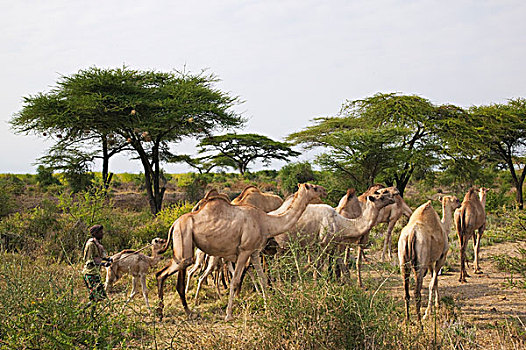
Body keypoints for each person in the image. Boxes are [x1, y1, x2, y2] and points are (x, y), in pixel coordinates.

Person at [82, 224, 111, 302]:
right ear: (95, 233)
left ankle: (90, 313)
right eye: (100, 232)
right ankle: (82, 311)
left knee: (98, 298)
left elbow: (99, 256)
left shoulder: (97, 244)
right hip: (90, 274)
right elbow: (89, 261)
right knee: (95, 298)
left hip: (95, 273)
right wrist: (103, 264)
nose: (102, 234)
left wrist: (108, 259)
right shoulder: (90, 244)